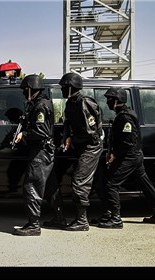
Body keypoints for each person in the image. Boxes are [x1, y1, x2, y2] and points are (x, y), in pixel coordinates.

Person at [96, 87, 155, 228]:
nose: (107, 102)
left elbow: (128, 142)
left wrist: (114, 154)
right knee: (146, 185)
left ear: (117, 101)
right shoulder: (123, 114)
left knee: (111, 184)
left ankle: (115, 219)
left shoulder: (125, 117)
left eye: (109, 99)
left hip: (129, 157)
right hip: (134, 156)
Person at [11, 74, 60, 236]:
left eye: (25, 90)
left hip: (41, 150)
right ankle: (59, 218)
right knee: (51, 187)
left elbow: (41, 131)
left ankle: (33, 225)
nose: (24, 93)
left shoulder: (40, 107)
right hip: (45, 151)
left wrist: (24, 135)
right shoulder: (38, 104)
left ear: (31, 89)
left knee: (31, 185)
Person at [59, 72, 104, 231]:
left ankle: (82, 221)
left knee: (79, 182)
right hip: (80, 146)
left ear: (72, 87)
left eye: (64, 87)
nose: (62, 90)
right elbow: (67, 123)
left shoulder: (84, 103)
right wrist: (68, 136)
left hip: (90, 147)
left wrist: (74, 137)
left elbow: (91, 132)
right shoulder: (71, 103)